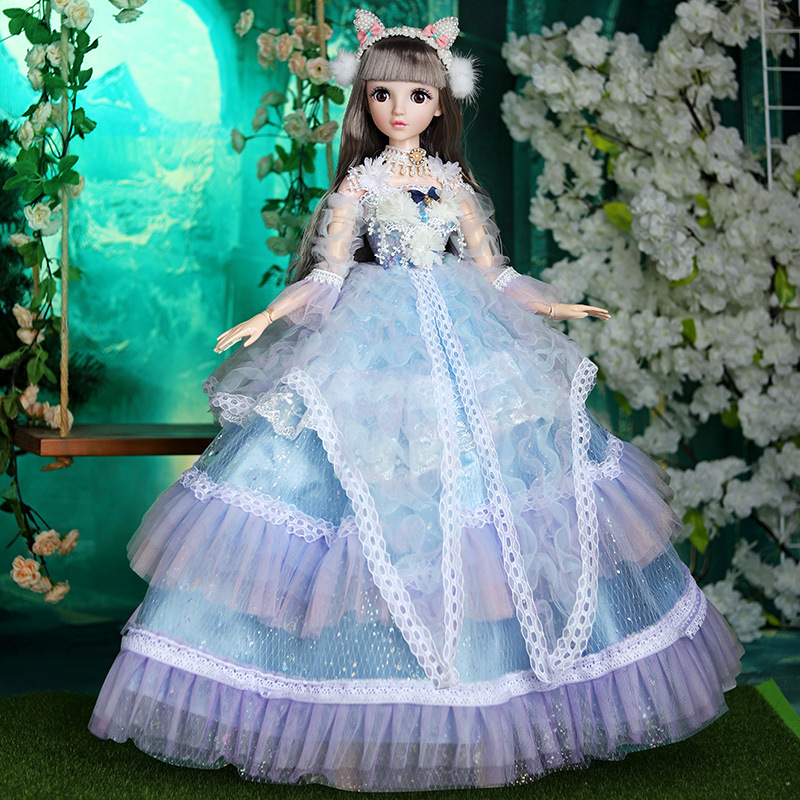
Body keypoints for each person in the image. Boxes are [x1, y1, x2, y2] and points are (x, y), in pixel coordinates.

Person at [89, 10, 743, 791]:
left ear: (440, 104)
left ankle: (501, 683)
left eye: (418, 96)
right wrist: (267, 317)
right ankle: (350, 698)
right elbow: (327, 277)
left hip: (465, 329)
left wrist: (552, 304)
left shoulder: (454, 183)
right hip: (374, 335)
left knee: (497, 490)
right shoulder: (359, 185)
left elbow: (495, 271)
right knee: (351, 484)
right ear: (365, 102)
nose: (400, 109)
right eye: (383, 95)